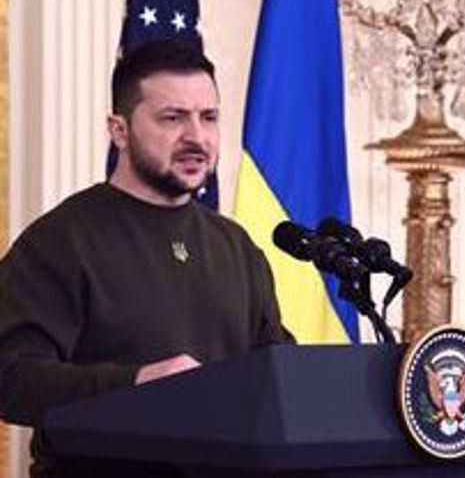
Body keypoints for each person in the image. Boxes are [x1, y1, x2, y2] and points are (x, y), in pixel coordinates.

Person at [0, 39, 292, 477]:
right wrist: (136, 384)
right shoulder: (60, 241)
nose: (196, 136)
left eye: (208, 117)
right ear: (119, 130)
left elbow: (277, 376)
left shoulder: (236, 247)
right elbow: (11, 378)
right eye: (173, 118)